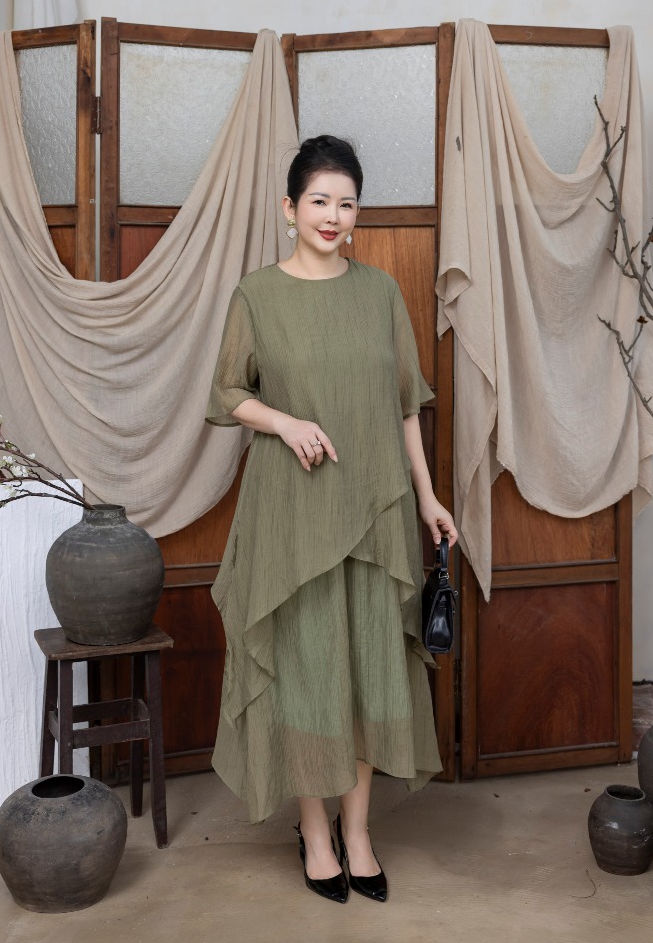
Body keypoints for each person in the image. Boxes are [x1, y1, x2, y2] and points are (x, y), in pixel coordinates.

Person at [205, 135, 458, 904]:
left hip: (375, 510)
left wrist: (427, 497)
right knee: (308, 676)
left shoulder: (380, 293)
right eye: (319, 200)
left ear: (356, 214)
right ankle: (315, 835)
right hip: (293, 515)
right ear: (289, 208)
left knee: (369, 674)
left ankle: (359, 832)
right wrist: (284, 422)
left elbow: (404, 406)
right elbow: (227, 393)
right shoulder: (257, 295)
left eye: (347, 203)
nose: (333, 215)